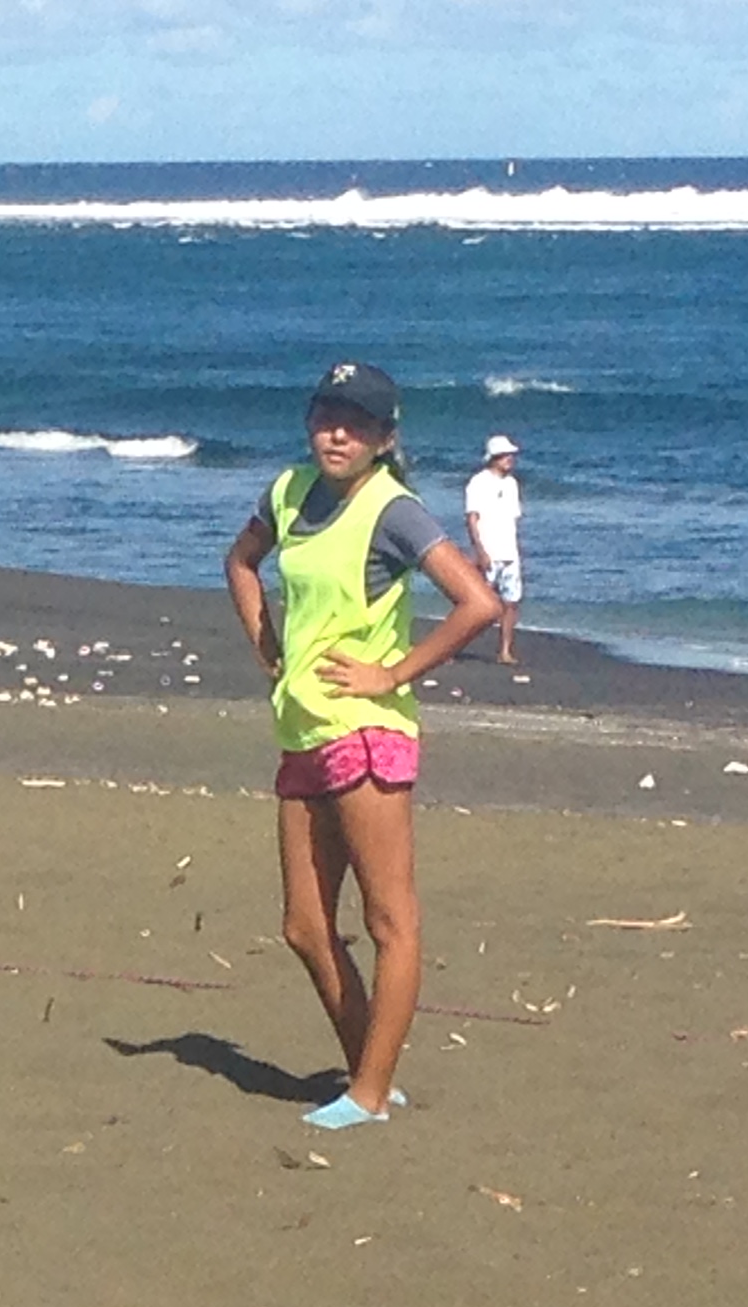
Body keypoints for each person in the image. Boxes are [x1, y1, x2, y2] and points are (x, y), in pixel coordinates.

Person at [224, 361, 500, 1129]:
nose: (336, 434)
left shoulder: (392, 510)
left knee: (390, 921)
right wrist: (266, 641)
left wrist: (394, 673)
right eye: (326, 418)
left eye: (356, 424)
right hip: (301, 729)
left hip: (367, 734)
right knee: (305, 928)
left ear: (384, 438)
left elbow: (477, 602)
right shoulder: (287, 492)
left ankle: (370, 1092)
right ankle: (369, 1070)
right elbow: (241, 562)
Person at [463, 434, 525, 667]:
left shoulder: (511, 484)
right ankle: (451, 646)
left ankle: (505, 650)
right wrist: (480, 551)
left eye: (510, 455)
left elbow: (513, 519)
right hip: (489, 551)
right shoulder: (478, 482)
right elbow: (472, 519)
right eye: (505, 455)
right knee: (476, 601)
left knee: (511, 602)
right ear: (494, 457)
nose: (510, 459)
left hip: (510, 552)